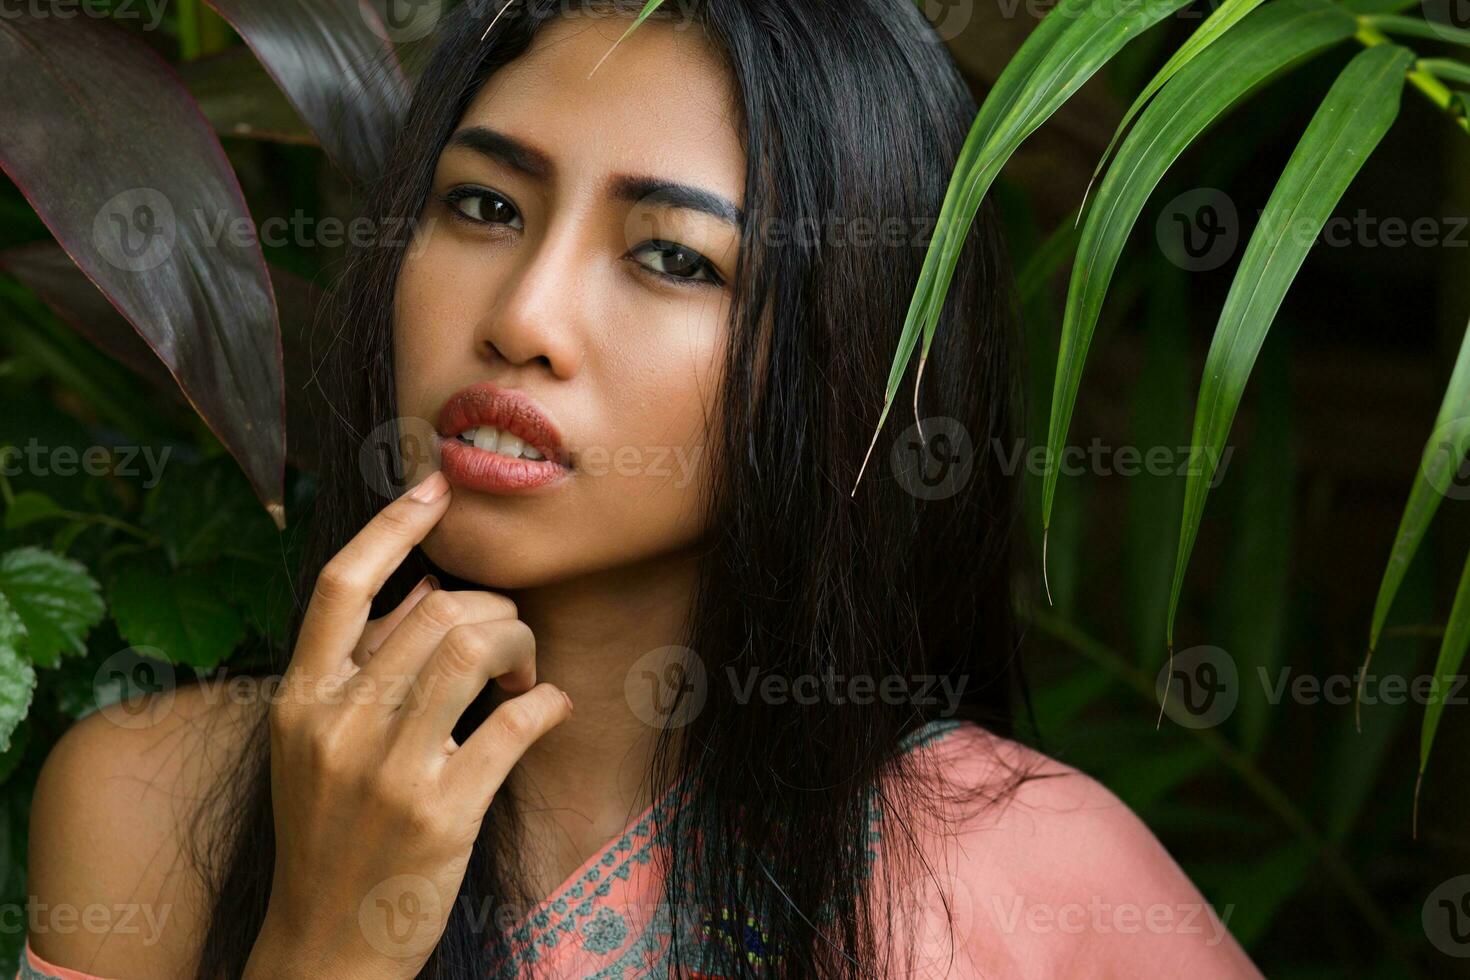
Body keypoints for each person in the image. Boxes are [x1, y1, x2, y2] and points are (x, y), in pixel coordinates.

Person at [22, 1, 1263, 977]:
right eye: (485, 204)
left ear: (852, 349)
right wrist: (327, 946)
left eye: (673, 256)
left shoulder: (1023, 870)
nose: (524, 317)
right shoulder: (152, 807)